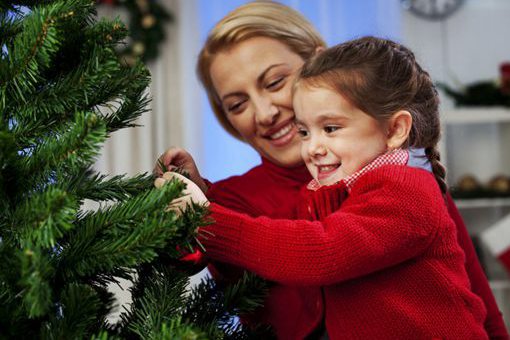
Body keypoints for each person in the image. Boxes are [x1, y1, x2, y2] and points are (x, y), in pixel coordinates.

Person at [155, 2, 508, 339]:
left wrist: (206, 217)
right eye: (237, 104)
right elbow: (180, 270)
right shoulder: (229, 201)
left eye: (276, 82)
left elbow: (479, 306)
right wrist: (188, 197)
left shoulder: (405, 179)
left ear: (319, 64)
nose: (264, 113)